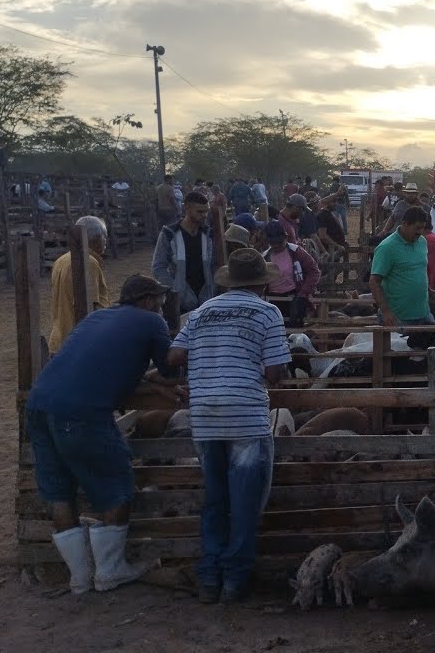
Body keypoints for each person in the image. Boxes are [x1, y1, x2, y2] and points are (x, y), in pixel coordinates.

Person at [26, 275, 176, 594]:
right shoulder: (151, 322)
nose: (162, 307)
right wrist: (162, 379)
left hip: (40, 402)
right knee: (117, 482)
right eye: (160, 301)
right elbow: (170, 369)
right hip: (81, 411)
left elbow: (100, 367)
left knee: (59, 491)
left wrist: (147, 382)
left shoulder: (96, 317)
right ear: (148, 300)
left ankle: (80, 577)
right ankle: (109, 570)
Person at [168, 249, 290, 605]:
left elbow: (174, 355)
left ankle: (208, 577)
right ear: (262, 286)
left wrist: (208, 357)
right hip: (245, 414)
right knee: (246, 503)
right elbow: (274, 372)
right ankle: (234, 581)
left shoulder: (201, 311)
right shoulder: (268, 313)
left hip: (205, 414)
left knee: (215, 500)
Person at [151, 192, 216, 333]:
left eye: (206, 211)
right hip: (180, 303)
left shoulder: (209, 235)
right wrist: (174, 289)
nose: (204, 215)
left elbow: (215, 265)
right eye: (200, 211)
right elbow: (158, 267)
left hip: (207, 298)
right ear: (187, 208)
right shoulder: (169, 234)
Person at [48, 216, 112, 353]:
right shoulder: (89, 262)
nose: (106, 240)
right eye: (104, 236)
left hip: (59, 337)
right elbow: (92, 306)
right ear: (93, 238)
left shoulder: (61, 260)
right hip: (79, 340)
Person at [369, 206, 434, 326]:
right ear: (405, 224)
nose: (420, 232)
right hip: (399, 317)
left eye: (422, 228)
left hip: (424, 313)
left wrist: (429, 290)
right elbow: (374, 281)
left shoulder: (422, 242)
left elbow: (419, 270)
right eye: (417, 228)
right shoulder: (387, 247)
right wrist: (385, 310)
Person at [261, 221, 320, 327]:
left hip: (294, 297)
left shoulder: (296, 252)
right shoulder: (264, 257)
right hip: (273, 299)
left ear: (285, 238)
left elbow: (313, 271)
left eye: (280, 242)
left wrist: (303, 294)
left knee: (295, 328)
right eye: (274, 243)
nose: (278, 246)